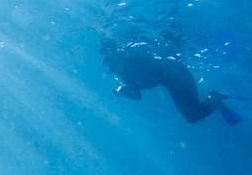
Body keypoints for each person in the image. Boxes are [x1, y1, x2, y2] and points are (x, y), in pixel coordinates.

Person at [101, 40, 241, 125]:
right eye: (109, 68)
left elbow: (154, 76)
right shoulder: (124, 76)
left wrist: (130, 87)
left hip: (178, 75)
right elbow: (138, 97)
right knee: (193, 116)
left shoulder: (135, 59)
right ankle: (216, 100)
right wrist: (124, 91)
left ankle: (216, 100)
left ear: (118, 55)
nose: (112, 70)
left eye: (112, 63)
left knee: (193, 116)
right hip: (171, 80)